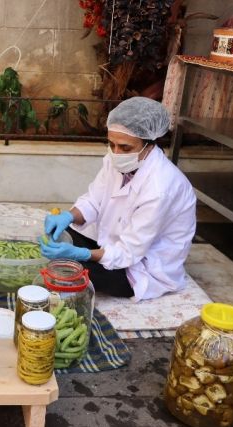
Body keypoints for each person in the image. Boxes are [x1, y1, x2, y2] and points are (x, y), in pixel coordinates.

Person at [41, 97, 196, 300]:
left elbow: (128, 253)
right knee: (53, 236)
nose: (116, 153)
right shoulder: (117, 161)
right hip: (110, 242)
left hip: (140, 267)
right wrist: (68, 217)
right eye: (111, 144)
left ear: (149, 144)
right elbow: (93, 201)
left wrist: (83, 254)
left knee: (65, 268)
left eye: (125, 148)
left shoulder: (160, 188)